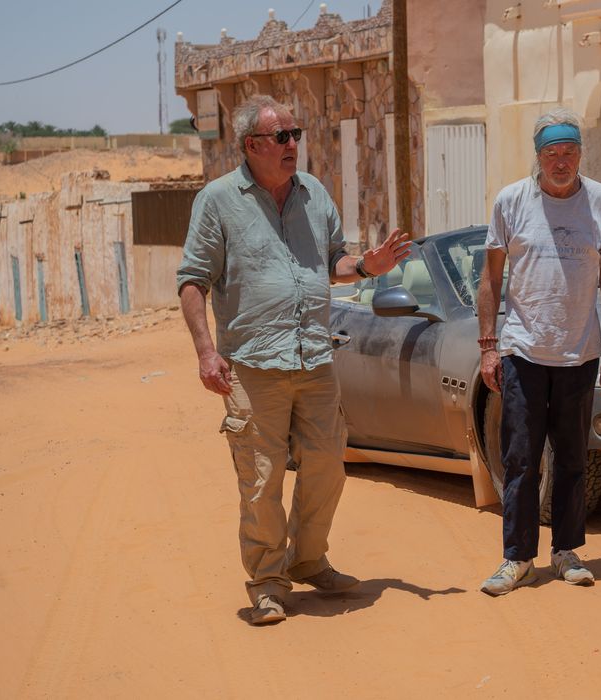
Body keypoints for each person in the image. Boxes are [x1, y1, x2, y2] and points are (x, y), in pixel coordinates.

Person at [177, 95, 411, 625]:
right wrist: (205, 351)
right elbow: (193, 279)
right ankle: (266, 582)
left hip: (314, 357)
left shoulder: (315, 194)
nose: (292, 145)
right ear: (250, 146)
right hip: (253, 364)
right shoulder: (218, 200)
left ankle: (307, 560)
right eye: (281, 137)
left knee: (329, 465)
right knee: (261, 480)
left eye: (295, 134)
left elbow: (335, 261)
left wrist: (367, 266)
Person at [475, 108, 601, 596]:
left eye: (569, 152)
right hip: (523, 351)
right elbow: (491, 278)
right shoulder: (511, 201)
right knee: (521, 458)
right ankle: (517, 559)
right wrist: (487, 345)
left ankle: (566, 552)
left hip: (580, 353)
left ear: (580, 154)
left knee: (571, 458)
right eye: (551, 153)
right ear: (538, 157)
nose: (560, 162)